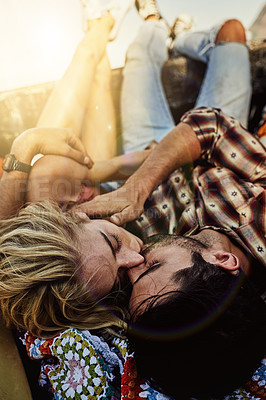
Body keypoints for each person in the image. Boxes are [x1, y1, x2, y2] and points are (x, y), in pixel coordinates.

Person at [0, 1, 265, 399]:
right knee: (229, 33)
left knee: (139, 52)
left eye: (122, 257)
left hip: (143, 148)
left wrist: (26, 150)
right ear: (221, 261)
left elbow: (14, 255)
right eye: (149, 263)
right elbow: (210, 126)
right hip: (187, 142)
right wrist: (131, 186)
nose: (136, 258)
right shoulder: (248, 227)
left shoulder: (135, 294)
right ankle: (172, 30)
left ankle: (156, 27)